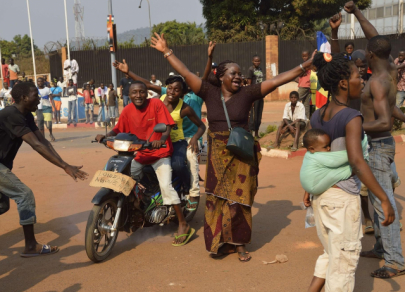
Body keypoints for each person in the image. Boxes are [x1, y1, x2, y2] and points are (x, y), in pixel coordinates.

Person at [148, 32, 317, 261]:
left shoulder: (248, 93)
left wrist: (303, 66)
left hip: (242, 154)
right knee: (217, 198)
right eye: (233, 74)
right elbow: (186, 73)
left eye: (239, 74)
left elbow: (278, 80)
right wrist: (167, 51)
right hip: (218, 154)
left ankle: (239, 244)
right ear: (221, 76)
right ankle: (220, 241)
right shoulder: (208, 92)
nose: (239, 77)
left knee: (241, 198)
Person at [304, 51, 395, 292]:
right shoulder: (351, 117)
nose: (362, 80)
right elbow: (356, 161)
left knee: (331, 253)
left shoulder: (317, 114)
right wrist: (384, 199)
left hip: (321, 197)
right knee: (343, 265)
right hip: (342, 200)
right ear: (343, 83)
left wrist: (307, 188)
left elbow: (315, 155)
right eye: (358, 76)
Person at [344, 1, 405, 278]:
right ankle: (382, 247)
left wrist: (355, 125)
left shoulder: (378, 80)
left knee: (382, 202)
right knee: (373, 201)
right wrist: (357, 12)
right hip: (379, 146)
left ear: (368, 55)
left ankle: (395, 261)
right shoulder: (390, 68)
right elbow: (375, 37)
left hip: (379, 146)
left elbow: (383, 121)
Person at [95, 80, 195, 246]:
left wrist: (161, 140)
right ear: (129, 94)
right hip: (140, 154)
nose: (138, 95)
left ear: (146, 93)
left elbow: (167, 126)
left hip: (160, 154)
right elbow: (118, 129)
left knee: (165, 186)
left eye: (141, 92)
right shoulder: (127, 110)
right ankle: (136, 210)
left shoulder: (156, 104)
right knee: (125, 180)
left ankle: (183, 224)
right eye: (134, 93)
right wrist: (105, 136)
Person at [0, 82, 88, 257]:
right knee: (24, 194)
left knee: (2, 205)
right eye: (36, 95)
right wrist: (64, 166)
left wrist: (65, 164)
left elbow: (44, 142)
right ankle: (31, 246)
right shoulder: (11, 114)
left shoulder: (26, 116)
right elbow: (36, 145)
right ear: (24, 98)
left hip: (3, 165)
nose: (39, 99)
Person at [247, 55, 264, 138]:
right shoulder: (250, 70)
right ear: (252, 61)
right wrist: (251, 98)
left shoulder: (260, 69)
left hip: (260, 95)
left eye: (258, 61)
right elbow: (249, 84)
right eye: (255, 61)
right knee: (253, 116)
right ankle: (250, 134)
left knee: (259, 115)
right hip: (254, 95)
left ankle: (257, 133)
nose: (257, 62)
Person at [37, 77, 56, 142]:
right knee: (40, 125)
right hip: (39, 108)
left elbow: (51, 98)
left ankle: (50, 134)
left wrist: (54, 107)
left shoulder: (47, 89)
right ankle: (43, 138)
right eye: (38, 81)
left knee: (48, 124)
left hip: (47, 107)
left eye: (41, 81)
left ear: (43, 82)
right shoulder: (35, 90)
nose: (39, 83)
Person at [296, 51, 311, 119]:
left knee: (295, 100)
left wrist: (300, 72)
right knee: (306, 103)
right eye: (303, 56)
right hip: (306, 85)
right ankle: (306, 119)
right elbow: (300, 74)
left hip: (304, 85)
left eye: (306, 56)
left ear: (309, 56)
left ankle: (296, 117)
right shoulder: (304, 64)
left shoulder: (308, 64)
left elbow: (301, 73)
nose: (305, 58)